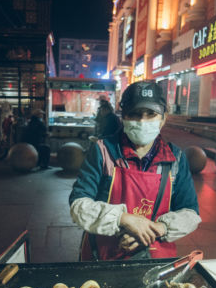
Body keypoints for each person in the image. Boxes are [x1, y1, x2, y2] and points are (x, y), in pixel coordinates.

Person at [69, 80, 201, 261]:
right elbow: (79, 206)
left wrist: (154, 230)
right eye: (134, 114)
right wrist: (125, 220)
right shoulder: (103, 151)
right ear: (123, 116)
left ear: (163, 118)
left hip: (155, 257)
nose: (142, 121)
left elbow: (190, 213)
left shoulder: (175, 158)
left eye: (151, 114)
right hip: (102, 256)